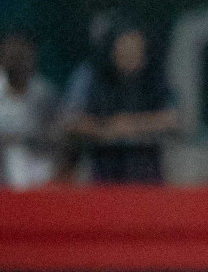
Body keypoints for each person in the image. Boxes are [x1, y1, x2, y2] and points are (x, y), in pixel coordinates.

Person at [67, 27, 180, 183]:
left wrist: (133, 124)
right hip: (103, 171)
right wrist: (106, 128)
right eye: (124, 49)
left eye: (136, 49)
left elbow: (173, 118)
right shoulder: (91, 75)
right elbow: (71, 120)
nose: (130, 55)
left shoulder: (155, 77)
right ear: (112, 49)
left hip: (147, 173)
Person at [0, 34, 59, 190]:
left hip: (38, 181)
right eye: (12, 54)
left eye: (23, 54)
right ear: (0, 56)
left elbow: (55, 137)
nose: (18, 60)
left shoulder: (45, 92)